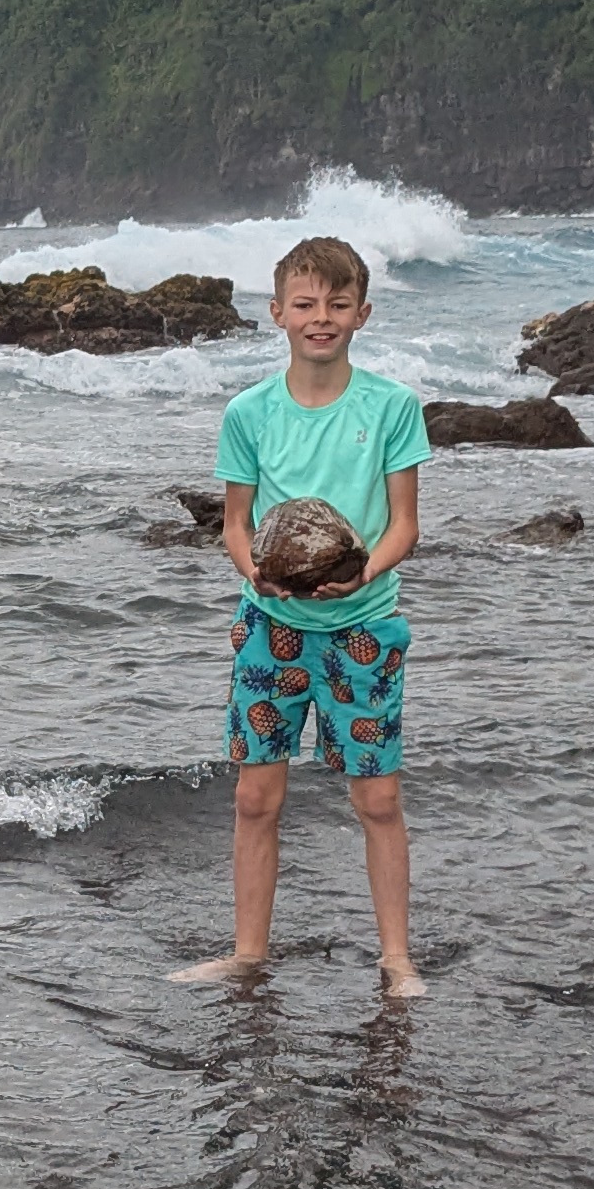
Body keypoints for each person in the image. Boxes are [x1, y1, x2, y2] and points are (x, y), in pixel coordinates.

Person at [170, 234, 433, 995]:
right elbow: (236, 524)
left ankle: (396, 958)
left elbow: (404, 525)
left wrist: (358, 576)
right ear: (277, 312)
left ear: (363, 314)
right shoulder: (250, 413)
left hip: (363, 629)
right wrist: (259, 573)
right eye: (307, 304)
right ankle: (247, 953)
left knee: (377, 798)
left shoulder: (391, 407)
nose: (323, 318)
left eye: (339, 305)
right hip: (270, 629)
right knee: (257, 796)